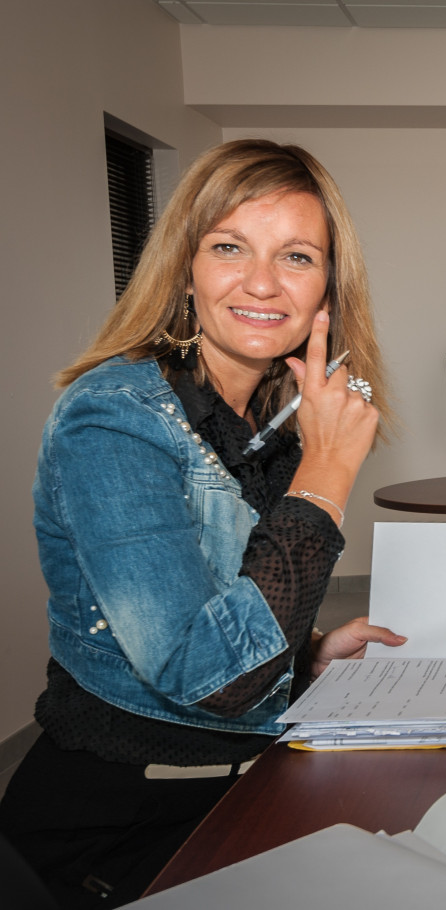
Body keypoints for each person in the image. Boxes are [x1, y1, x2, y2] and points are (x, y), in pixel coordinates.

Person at [0, 139, 406, 907]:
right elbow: (206, 677)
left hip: (246, 788)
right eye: (229, 247)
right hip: (122, 826)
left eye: (296, 256)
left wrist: (310, 655)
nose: (261, 282)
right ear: (185, 267)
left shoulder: (272, 420)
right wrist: (325, 479)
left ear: (327, 288)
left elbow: (220, 606)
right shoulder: (113, 422)